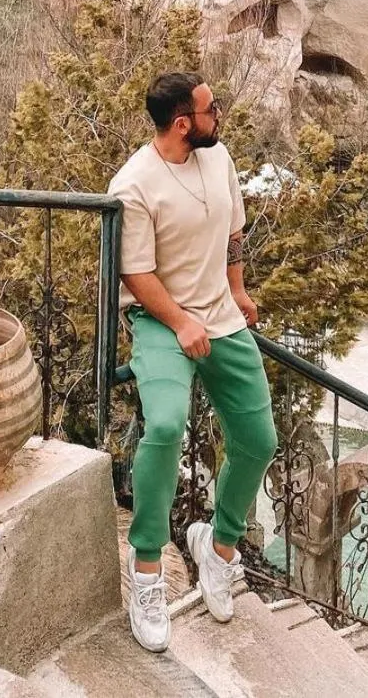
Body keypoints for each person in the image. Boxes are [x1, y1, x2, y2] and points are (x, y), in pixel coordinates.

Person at [109, 72, 278, 653]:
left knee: (259, 439)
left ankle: (219, 546)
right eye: (211, 110)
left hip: (222, 317)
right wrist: (180, 321)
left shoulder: (219, 155)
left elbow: (234, 230)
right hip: (160, 321)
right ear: (183, 123)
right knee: (162, 426)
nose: (218, 116)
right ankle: (149, 568)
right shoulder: (134, 184)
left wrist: (238, 287)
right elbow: (135, 272)